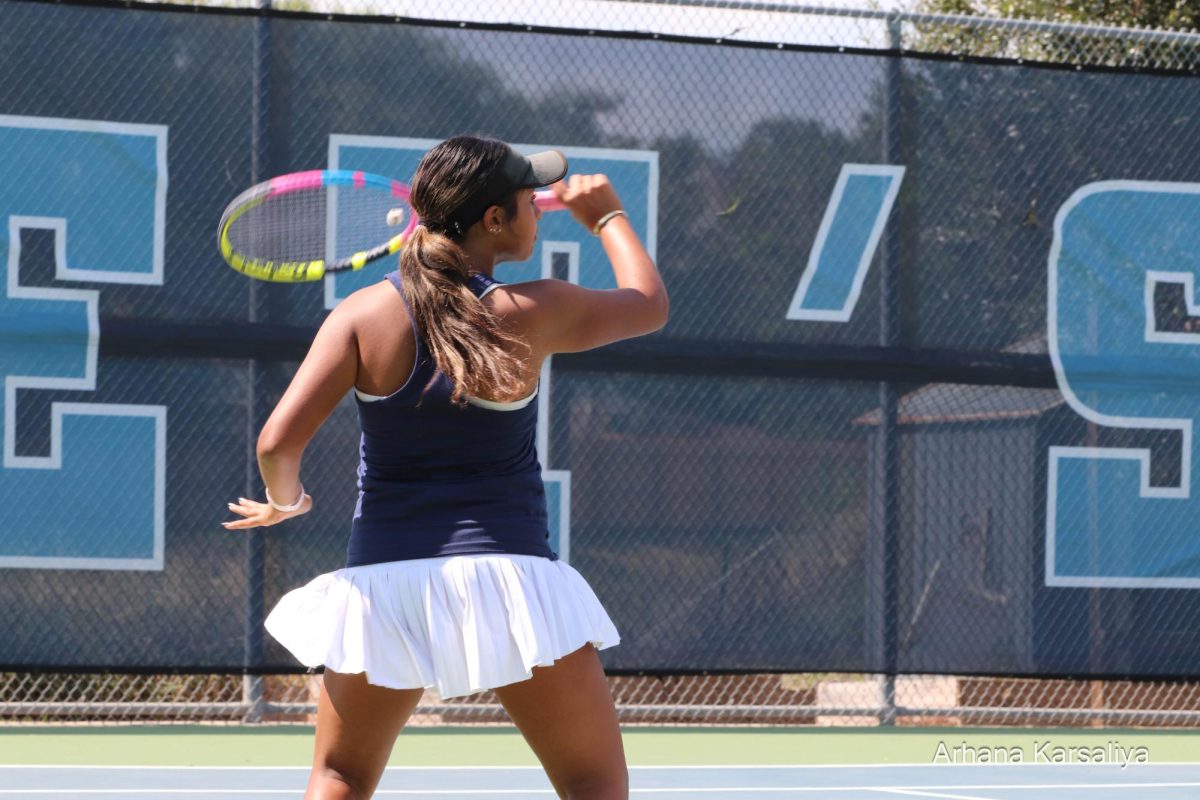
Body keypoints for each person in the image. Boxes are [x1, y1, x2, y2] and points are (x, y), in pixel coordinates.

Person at [223, 135, 668, 800]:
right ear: (494, 220)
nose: (538, 207)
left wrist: (284, 501)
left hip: (384, 588)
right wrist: (607, 217)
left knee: (340, 777)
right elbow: (649, 303)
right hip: (511, 582)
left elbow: (276, 445)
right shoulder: (532, 311)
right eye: (528, 198)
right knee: (592, 784)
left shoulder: (361, 315)